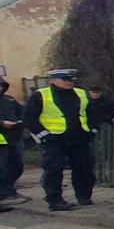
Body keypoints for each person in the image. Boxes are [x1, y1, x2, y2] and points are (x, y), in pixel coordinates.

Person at [26, 69, 96, 211]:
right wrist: (43, 135)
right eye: (65, 79)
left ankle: (84, 196)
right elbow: (29, 117)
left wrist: (92, 129)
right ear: (53, 80)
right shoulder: (41, 95)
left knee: (84, 167)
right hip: (54, 140)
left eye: (71, 80)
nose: (69, 82)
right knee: (53, 169)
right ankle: (55, 199)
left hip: (79, 138)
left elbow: (93, 113)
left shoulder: (81, 93)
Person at [0, 79, 26, 208]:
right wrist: (2, 123)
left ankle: (10, 191)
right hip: (2, 139)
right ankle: (3, 195)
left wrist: (21, 122)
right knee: (2, 168)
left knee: (16, 166)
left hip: (14, 137)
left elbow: (22, 111)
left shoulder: (9, 99)